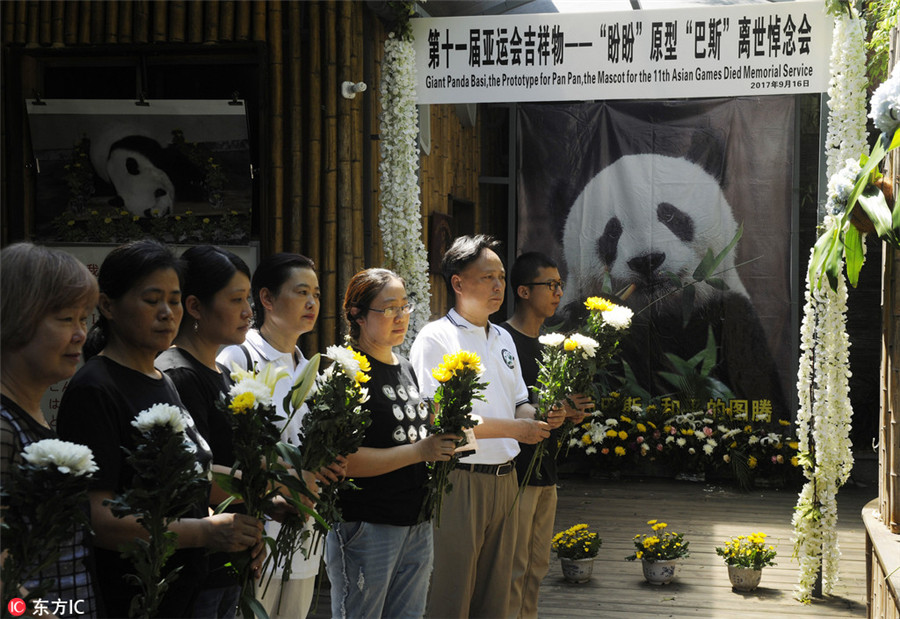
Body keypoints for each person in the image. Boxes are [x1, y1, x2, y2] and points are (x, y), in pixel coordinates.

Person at [56, 239, 263, 618]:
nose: (168, 313)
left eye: (174, 299)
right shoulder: (95, 388)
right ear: (108, 306)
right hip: (132, 596)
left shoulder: (158, 377)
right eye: (152, 300)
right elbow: (96, 517)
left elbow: (191, 475)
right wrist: (203, 531)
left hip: (186, 588)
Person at [409, 234, 563, 618]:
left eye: (500, 278)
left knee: (497, 597)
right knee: (451, 594)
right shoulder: (436, 337)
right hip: (459, 478)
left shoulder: (504, 338)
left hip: (506, 479)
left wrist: (540, 417)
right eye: (487, 277)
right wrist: (516, 429)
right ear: (458, 283)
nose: (498, 286)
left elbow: (519, 404)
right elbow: (443, 420)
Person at [325, 268, 459, 618]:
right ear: (356, 314)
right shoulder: (348, 370)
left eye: (405, 306)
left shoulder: (404, 366)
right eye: (388, 308)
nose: (400, 316)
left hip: (415, 521)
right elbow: (344, 460)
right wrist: (420, 451)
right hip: (368, 523)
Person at [217, 252, 342, 619]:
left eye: (316, 294)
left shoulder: (311, 370)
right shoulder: (237, 358)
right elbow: (229, 449)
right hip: (254, 534)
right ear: (267, 299)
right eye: (301, 292)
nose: (312, 303)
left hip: (301, 536)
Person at [0, 243, 100, 618]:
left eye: (83, 318)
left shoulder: (29, 414)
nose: (80, 335)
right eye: (65, 319)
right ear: (17, 317)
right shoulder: (3, 426)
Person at [155, 245, 254, 618]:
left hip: (228, 555)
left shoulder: (223, 374)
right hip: (196, 562)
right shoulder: (179, 375)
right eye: (236, 300)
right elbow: (196, 474)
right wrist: (267, 488)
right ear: (195, 307)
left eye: (248, 299)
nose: (247, 312)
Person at [500, 252, 593, 618]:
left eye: (560, 285)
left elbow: (552, 413)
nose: (558, 292)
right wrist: (552, 410)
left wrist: (572, 413)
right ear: (523, 291)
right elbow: (499, 408)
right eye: (549, 285)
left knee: (537, 566)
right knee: (513, 567)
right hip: (513, 473)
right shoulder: (501, 341)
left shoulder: (553, 346)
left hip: (546, 473)